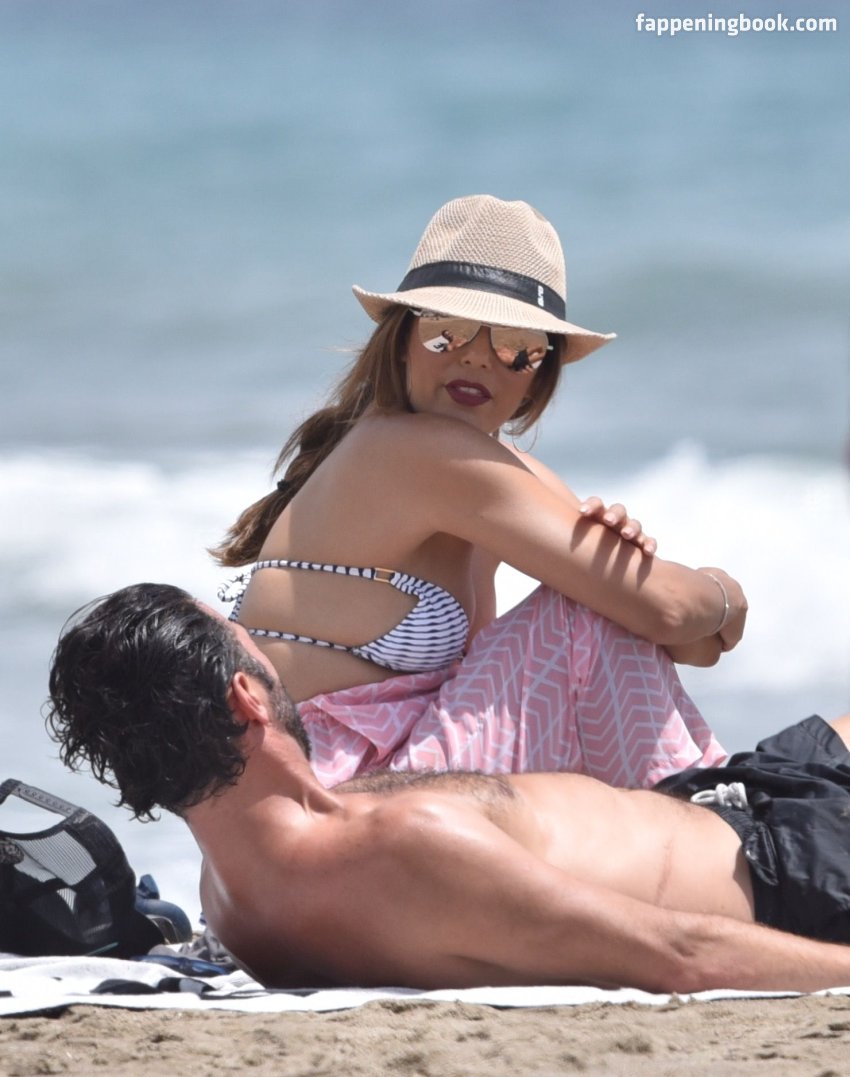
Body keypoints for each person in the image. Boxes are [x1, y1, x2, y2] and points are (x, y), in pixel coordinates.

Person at [47, 584, 850, 995]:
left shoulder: (230, 895)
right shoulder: (394, 847)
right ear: (246, 698)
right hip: (789, 865)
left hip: (729, 799)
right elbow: (681, 956)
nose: (265, 654)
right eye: (247, 641)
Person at [210, 194, 747, 790]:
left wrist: (641, 594)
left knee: (592, 611)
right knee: (575, 617)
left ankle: (699, 813)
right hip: (320, 801)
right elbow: (668, 611)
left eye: (516, 345)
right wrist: (723, 591)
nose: (478, 359)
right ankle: (709, 818)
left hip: (391, 791)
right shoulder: (416, 452)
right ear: (402, 337)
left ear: (539, 373)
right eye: (449, 331)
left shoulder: (491, 472)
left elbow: (683, 642)